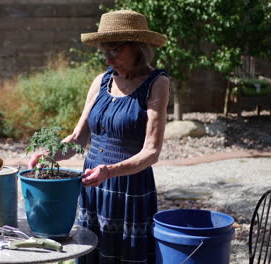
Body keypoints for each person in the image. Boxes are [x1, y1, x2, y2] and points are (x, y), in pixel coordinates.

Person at [28, 10, 170, 264]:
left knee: (127, 254)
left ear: (137, 46)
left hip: (129, 186)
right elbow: (78, 138)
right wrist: (49, 154)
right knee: (91, 252)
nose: (108, 58)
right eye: (105, 51)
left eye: (114, 50)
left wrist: (111, 170)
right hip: (93, 182)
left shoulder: (157, 83)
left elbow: (151, 151)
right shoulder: (101, 81)